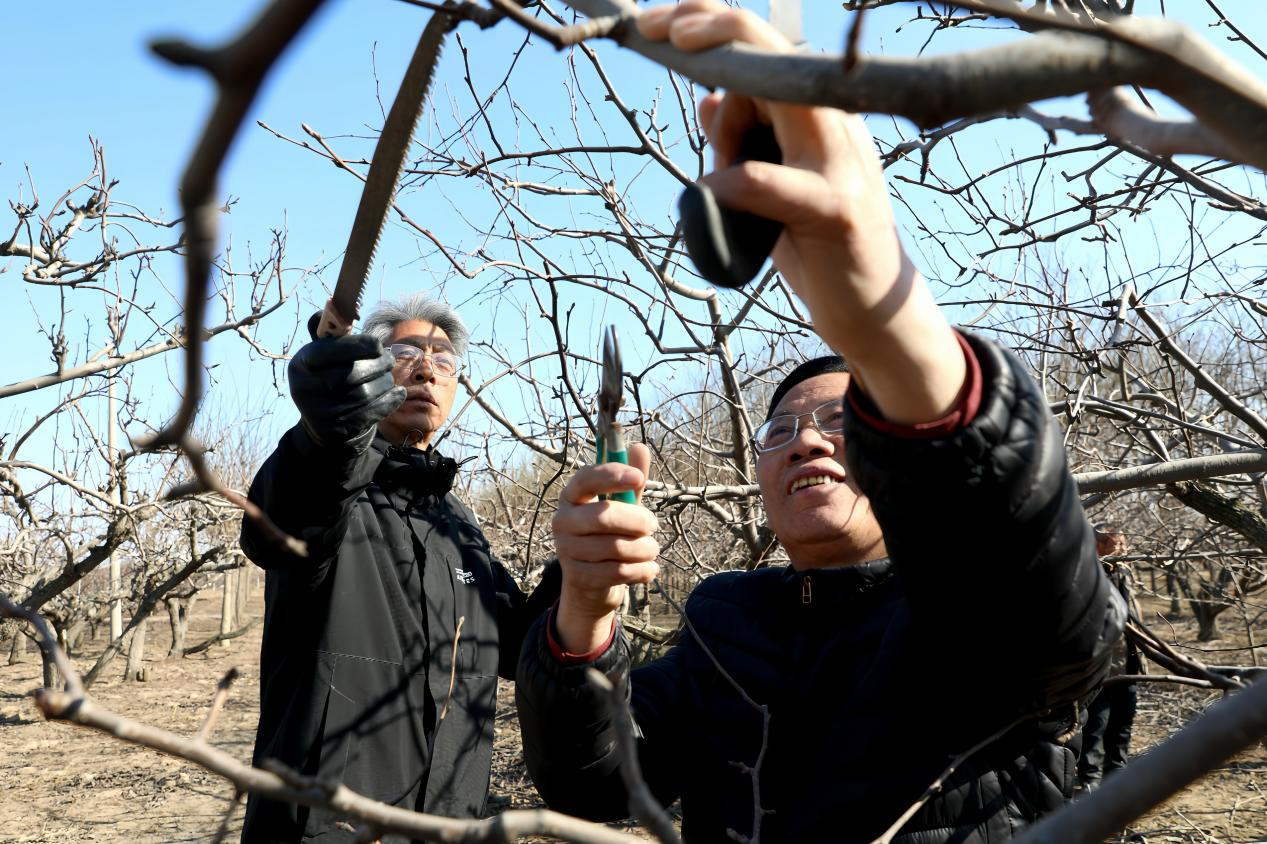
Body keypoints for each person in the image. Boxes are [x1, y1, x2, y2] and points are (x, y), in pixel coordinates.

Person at [514, 2, 1125, 842]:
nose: (804, 438)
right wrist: (582, 611)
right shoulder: (725, 621)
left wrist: (886, 327)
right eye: (781, 429)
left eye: (839, 421)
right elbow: (593, 784)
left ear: (889, 453)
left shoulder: (962, 604)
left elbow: (1051, 616)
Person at [239, 294, 559, 842]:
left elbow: (518, 648)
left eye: (443, 357)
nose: (426, 368)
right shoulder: (329, 484)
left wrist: (578, 572)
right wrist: (326, 435)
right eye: (407, 351)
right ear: (371, 371)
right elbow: (286, 520)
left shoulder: (459, 526)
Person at [1077, 527, 1143, 793]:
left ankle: (1117, 778)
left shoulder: (1125, 574)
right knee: (1095, 727)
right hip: (1099, 670)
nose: (1124, 550)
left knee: (1122, 726)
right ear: (1100, 546)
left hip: (1128, 667)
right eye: (1118, 544)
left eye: (1125, 544)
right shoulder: (1087, 575)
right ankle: (1090, 782)